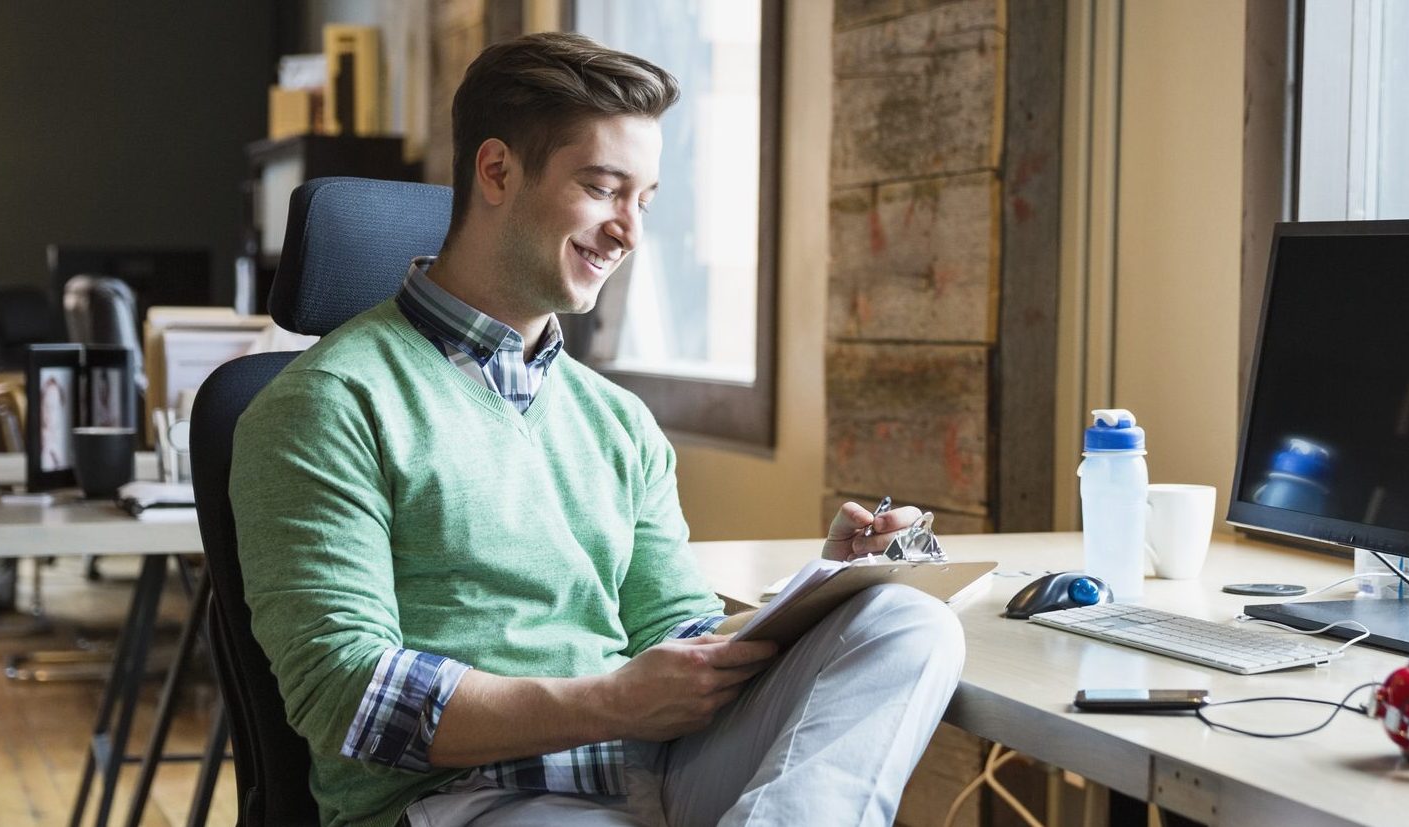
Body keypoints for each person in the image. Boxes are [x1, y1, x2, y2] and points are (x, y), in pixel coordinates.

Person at [232, 32, 964, 827]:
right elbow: (347, 695)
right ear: (498, 171)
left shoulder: (618, 421)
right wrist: (611, 702)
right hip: (470, 801)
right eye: (603, 188)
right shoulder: (329, 402)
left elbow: (679, 637)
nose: (629, 232)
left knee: (908, 621)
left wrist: (817, 597)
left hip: (648, 769)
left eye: (643, 200)